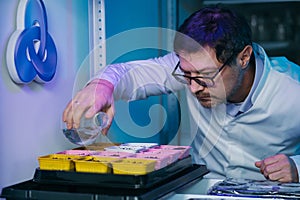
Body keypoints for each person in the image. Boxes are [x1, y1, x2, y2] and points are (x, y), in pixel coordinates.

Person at [63, 5, 300, 183]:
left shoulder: (292, 90)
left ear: (244, 57)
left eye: (205, 76)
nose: (194, 88)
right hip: (202, 190)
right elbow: (126, 72)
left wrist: (297, 167)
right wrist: (102, 86)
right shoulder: (187, 67)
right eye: (187, 75)